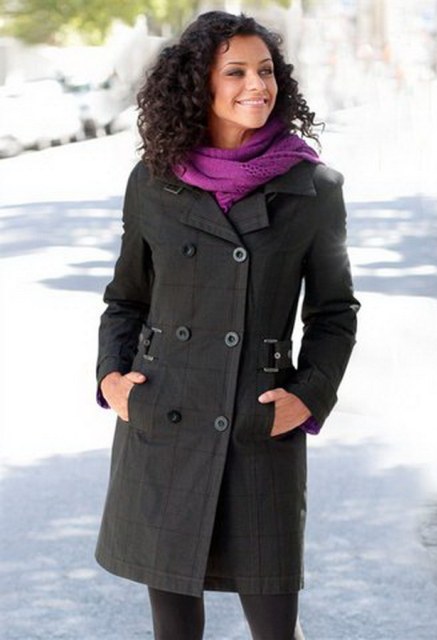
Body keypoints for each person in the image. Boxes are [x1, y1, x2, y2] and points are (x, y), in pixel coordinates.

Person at [95, 11, 360, 640]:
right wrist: (111, 378)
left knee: (274, 625)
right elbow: (127, 298)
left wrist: (308, 396)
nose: (257, 86)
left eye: (265, 71)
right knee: (174, 623)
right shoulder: (153, 181)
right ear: (200, 84)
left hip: (256, 420)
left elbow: (334, 312)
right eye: (236, 72)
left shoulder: (313, 187)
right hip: (165, 415)